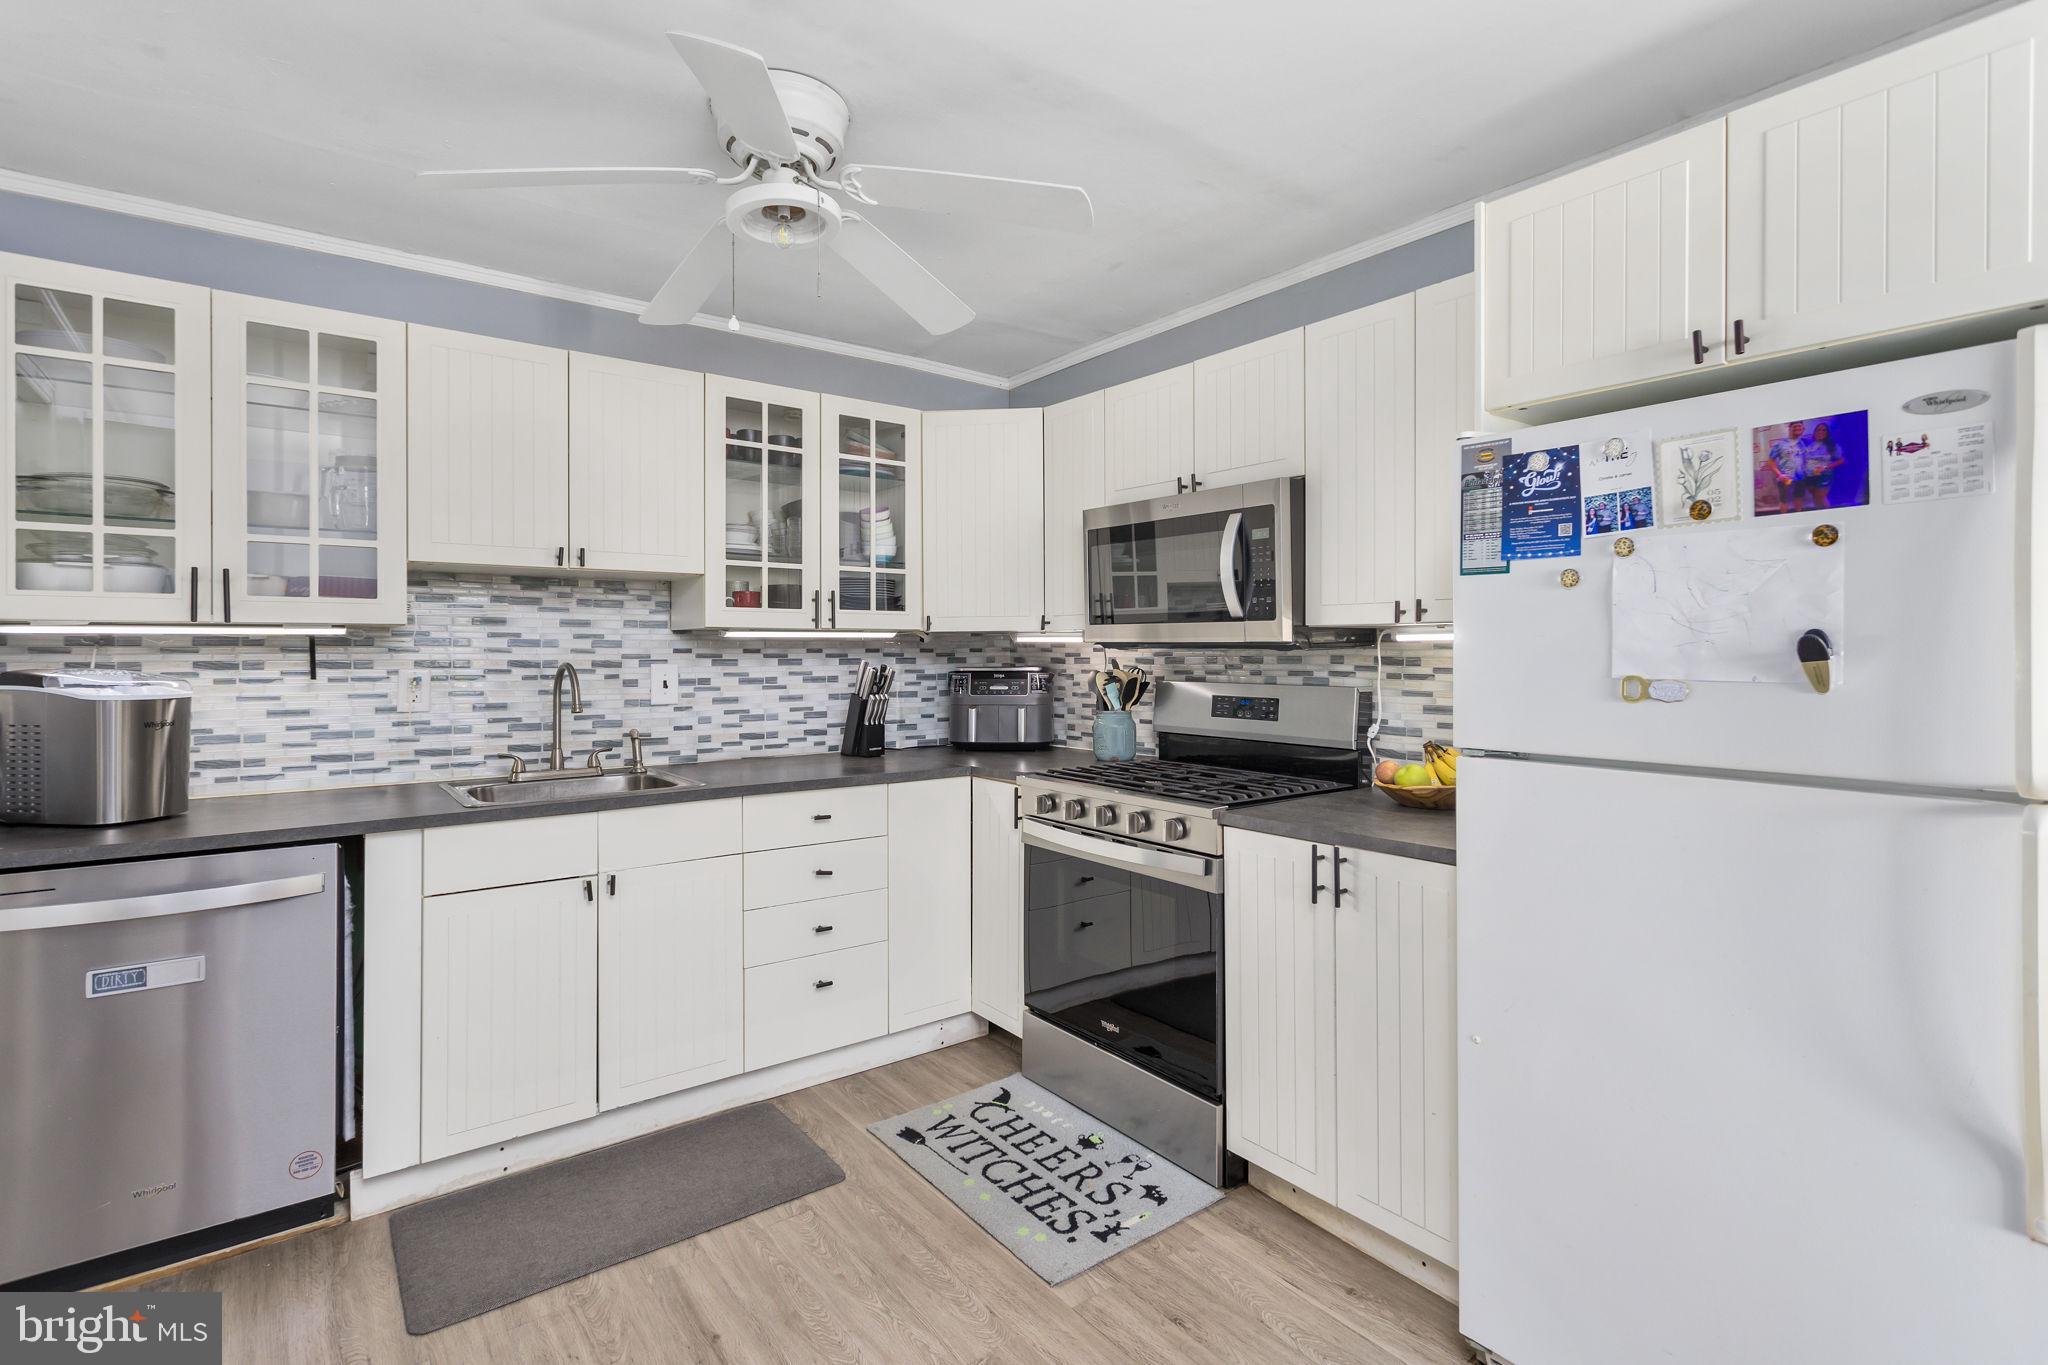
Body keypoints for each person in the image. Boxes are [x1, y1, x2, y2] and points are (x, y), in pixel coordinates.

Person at [1802, 420, 1840, 508]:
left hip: (1824, 475)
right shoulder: (1810, 445)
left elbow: (1840, 460)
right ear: (1815, 432)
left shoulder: (1832, 445)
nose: (1821, 432)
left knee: (1821, 497)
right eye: (1818, 430)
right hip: (1810, 476)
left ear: (1827, 432)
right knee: (1815, 498)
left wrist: (1825, 467)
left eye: (1824, 430)